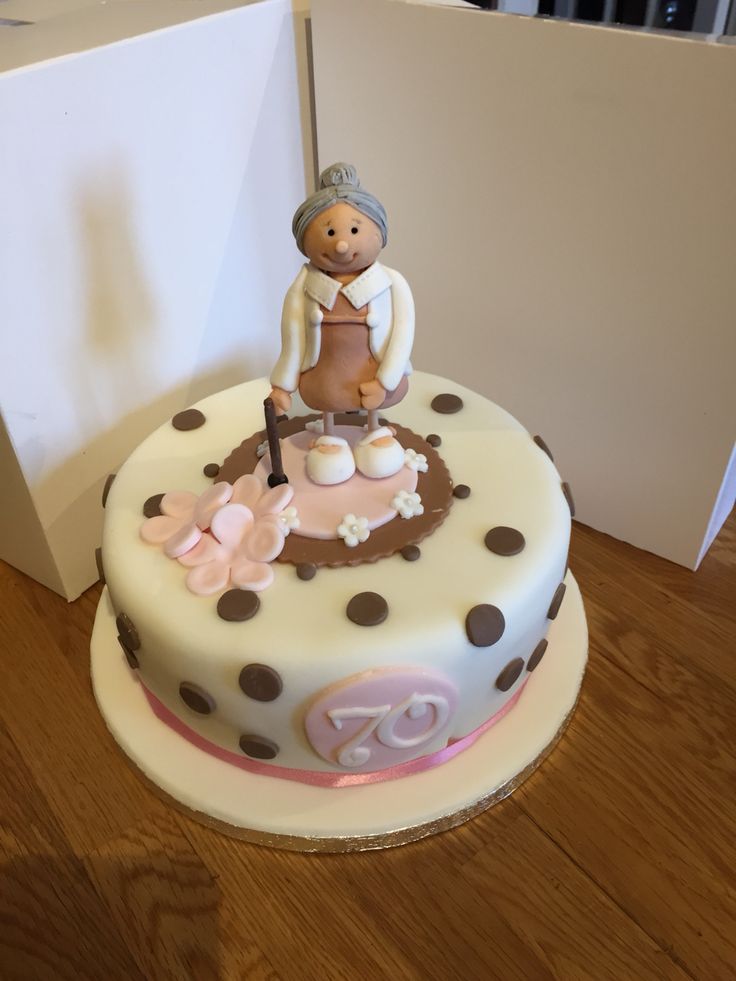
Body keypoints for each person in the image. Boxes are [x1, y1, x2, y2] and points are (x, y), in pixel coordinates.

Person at [268, 163, 414, 484]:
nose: (342, 245)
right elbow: (293, 337)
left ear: (378, 232)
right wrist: (283, 384)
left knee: (380, 452)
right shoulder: (304, 287)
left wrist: (385, 381)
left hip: (373, 375)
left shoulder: (392, 283)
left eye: (354, 230)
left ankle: (374, 431)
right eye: (330, 232)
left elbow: (403, 335)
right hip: (326, 377)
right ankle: (330, 436)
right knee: (328, 414)